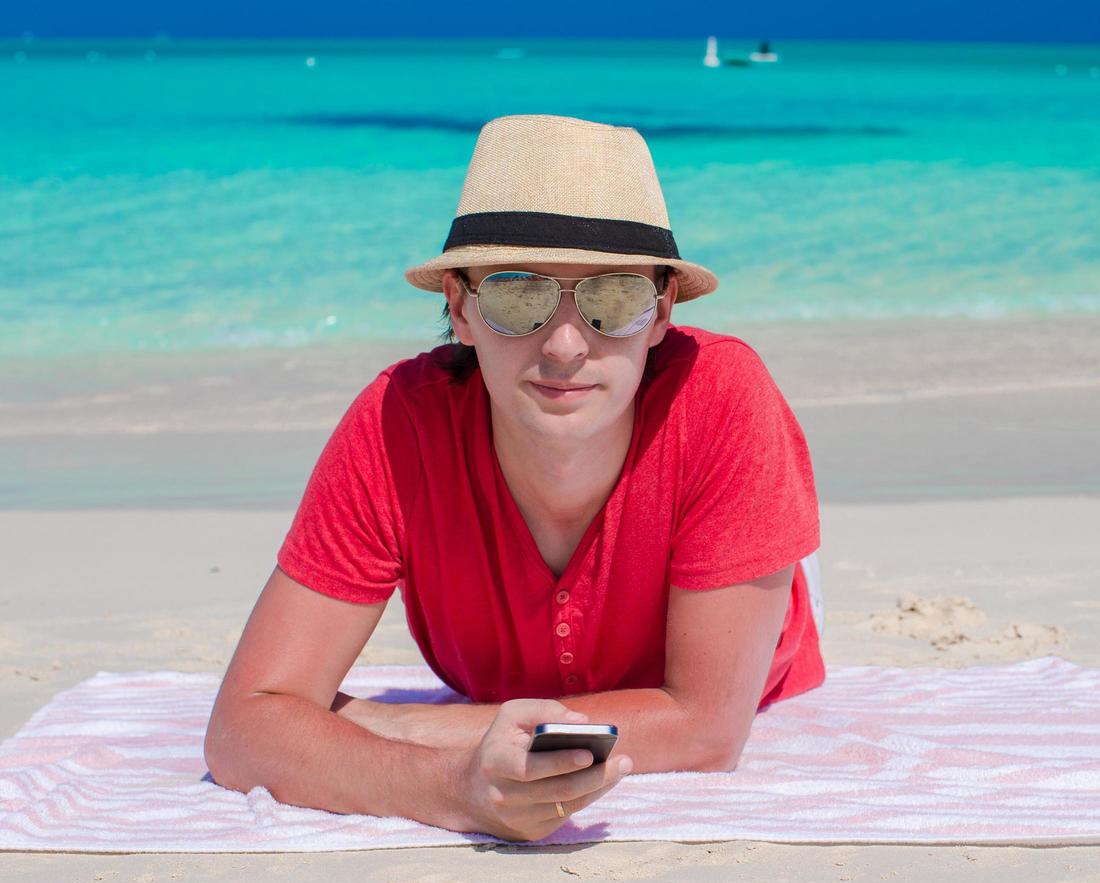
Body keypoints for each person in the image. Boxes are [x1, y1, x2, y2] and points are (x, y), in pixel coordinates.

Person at [204, 114, 824, 843]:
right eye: (517, 294)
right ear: (460, 309)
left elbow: (708, 731)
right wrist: (455, 788)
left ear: (660, 312)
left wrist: (398, 723)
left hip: (760, 675)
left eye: (614, 298)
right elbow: (243, 727)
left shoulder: (718, 398)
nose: (564, 344)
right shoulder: (397, 428)